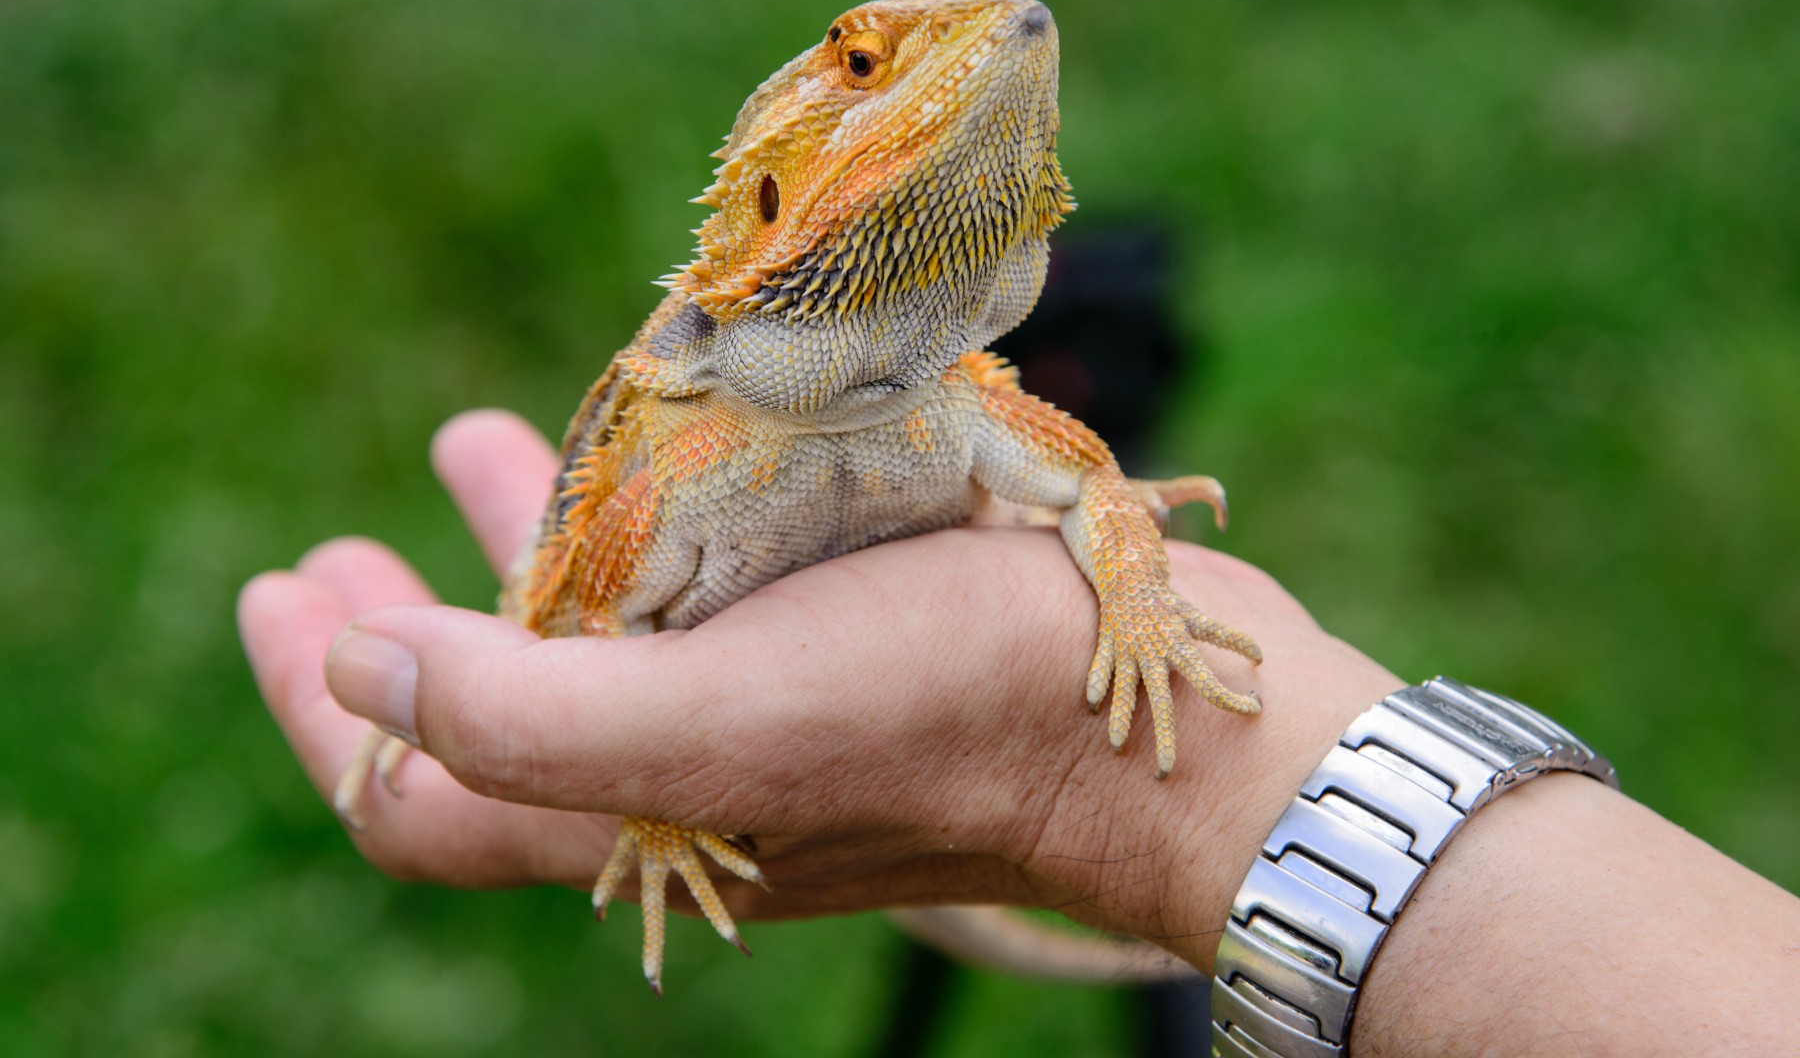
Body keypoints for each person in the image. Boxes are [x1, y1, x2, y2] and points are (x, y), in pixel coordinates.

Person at [238, 409, 1800, 1055]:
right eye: (864, 64)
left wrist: (1120, 634)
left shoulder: (953, 386)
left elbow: (1093, 494)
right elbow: (586, 584)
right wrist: (640, 781)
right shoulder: (696, 409)